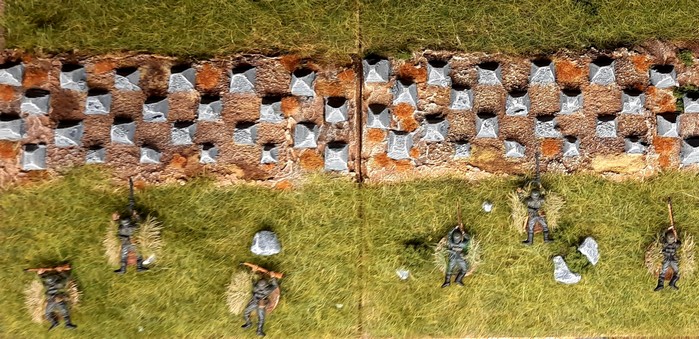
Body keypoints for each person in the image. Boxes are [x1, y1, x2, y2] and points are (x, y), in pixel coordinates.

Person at [27, 265, 77, 330]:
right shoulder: (55, 283)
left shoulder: (57, 283)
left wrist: (40, 273)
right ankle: (57, 323)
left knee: (54, 312)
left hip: (55, 299)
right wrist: (41, 273)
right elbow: (67, 277)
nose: (51, 281)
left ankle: (65, 323)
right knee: (53, 312)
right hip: (54, 299)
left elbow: (67, 278)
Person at [241, 263, 283, 337]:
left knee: (259, 317)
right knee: (248, 313)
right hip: (256, 302)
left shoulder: (256, 287)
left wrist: (253, 271)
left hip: (261, 303)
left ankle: (259, 330)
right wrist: (273, 277)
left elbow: (253, 280)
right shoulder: (266, 289)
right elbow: (274, 285)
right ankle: (249, 323)